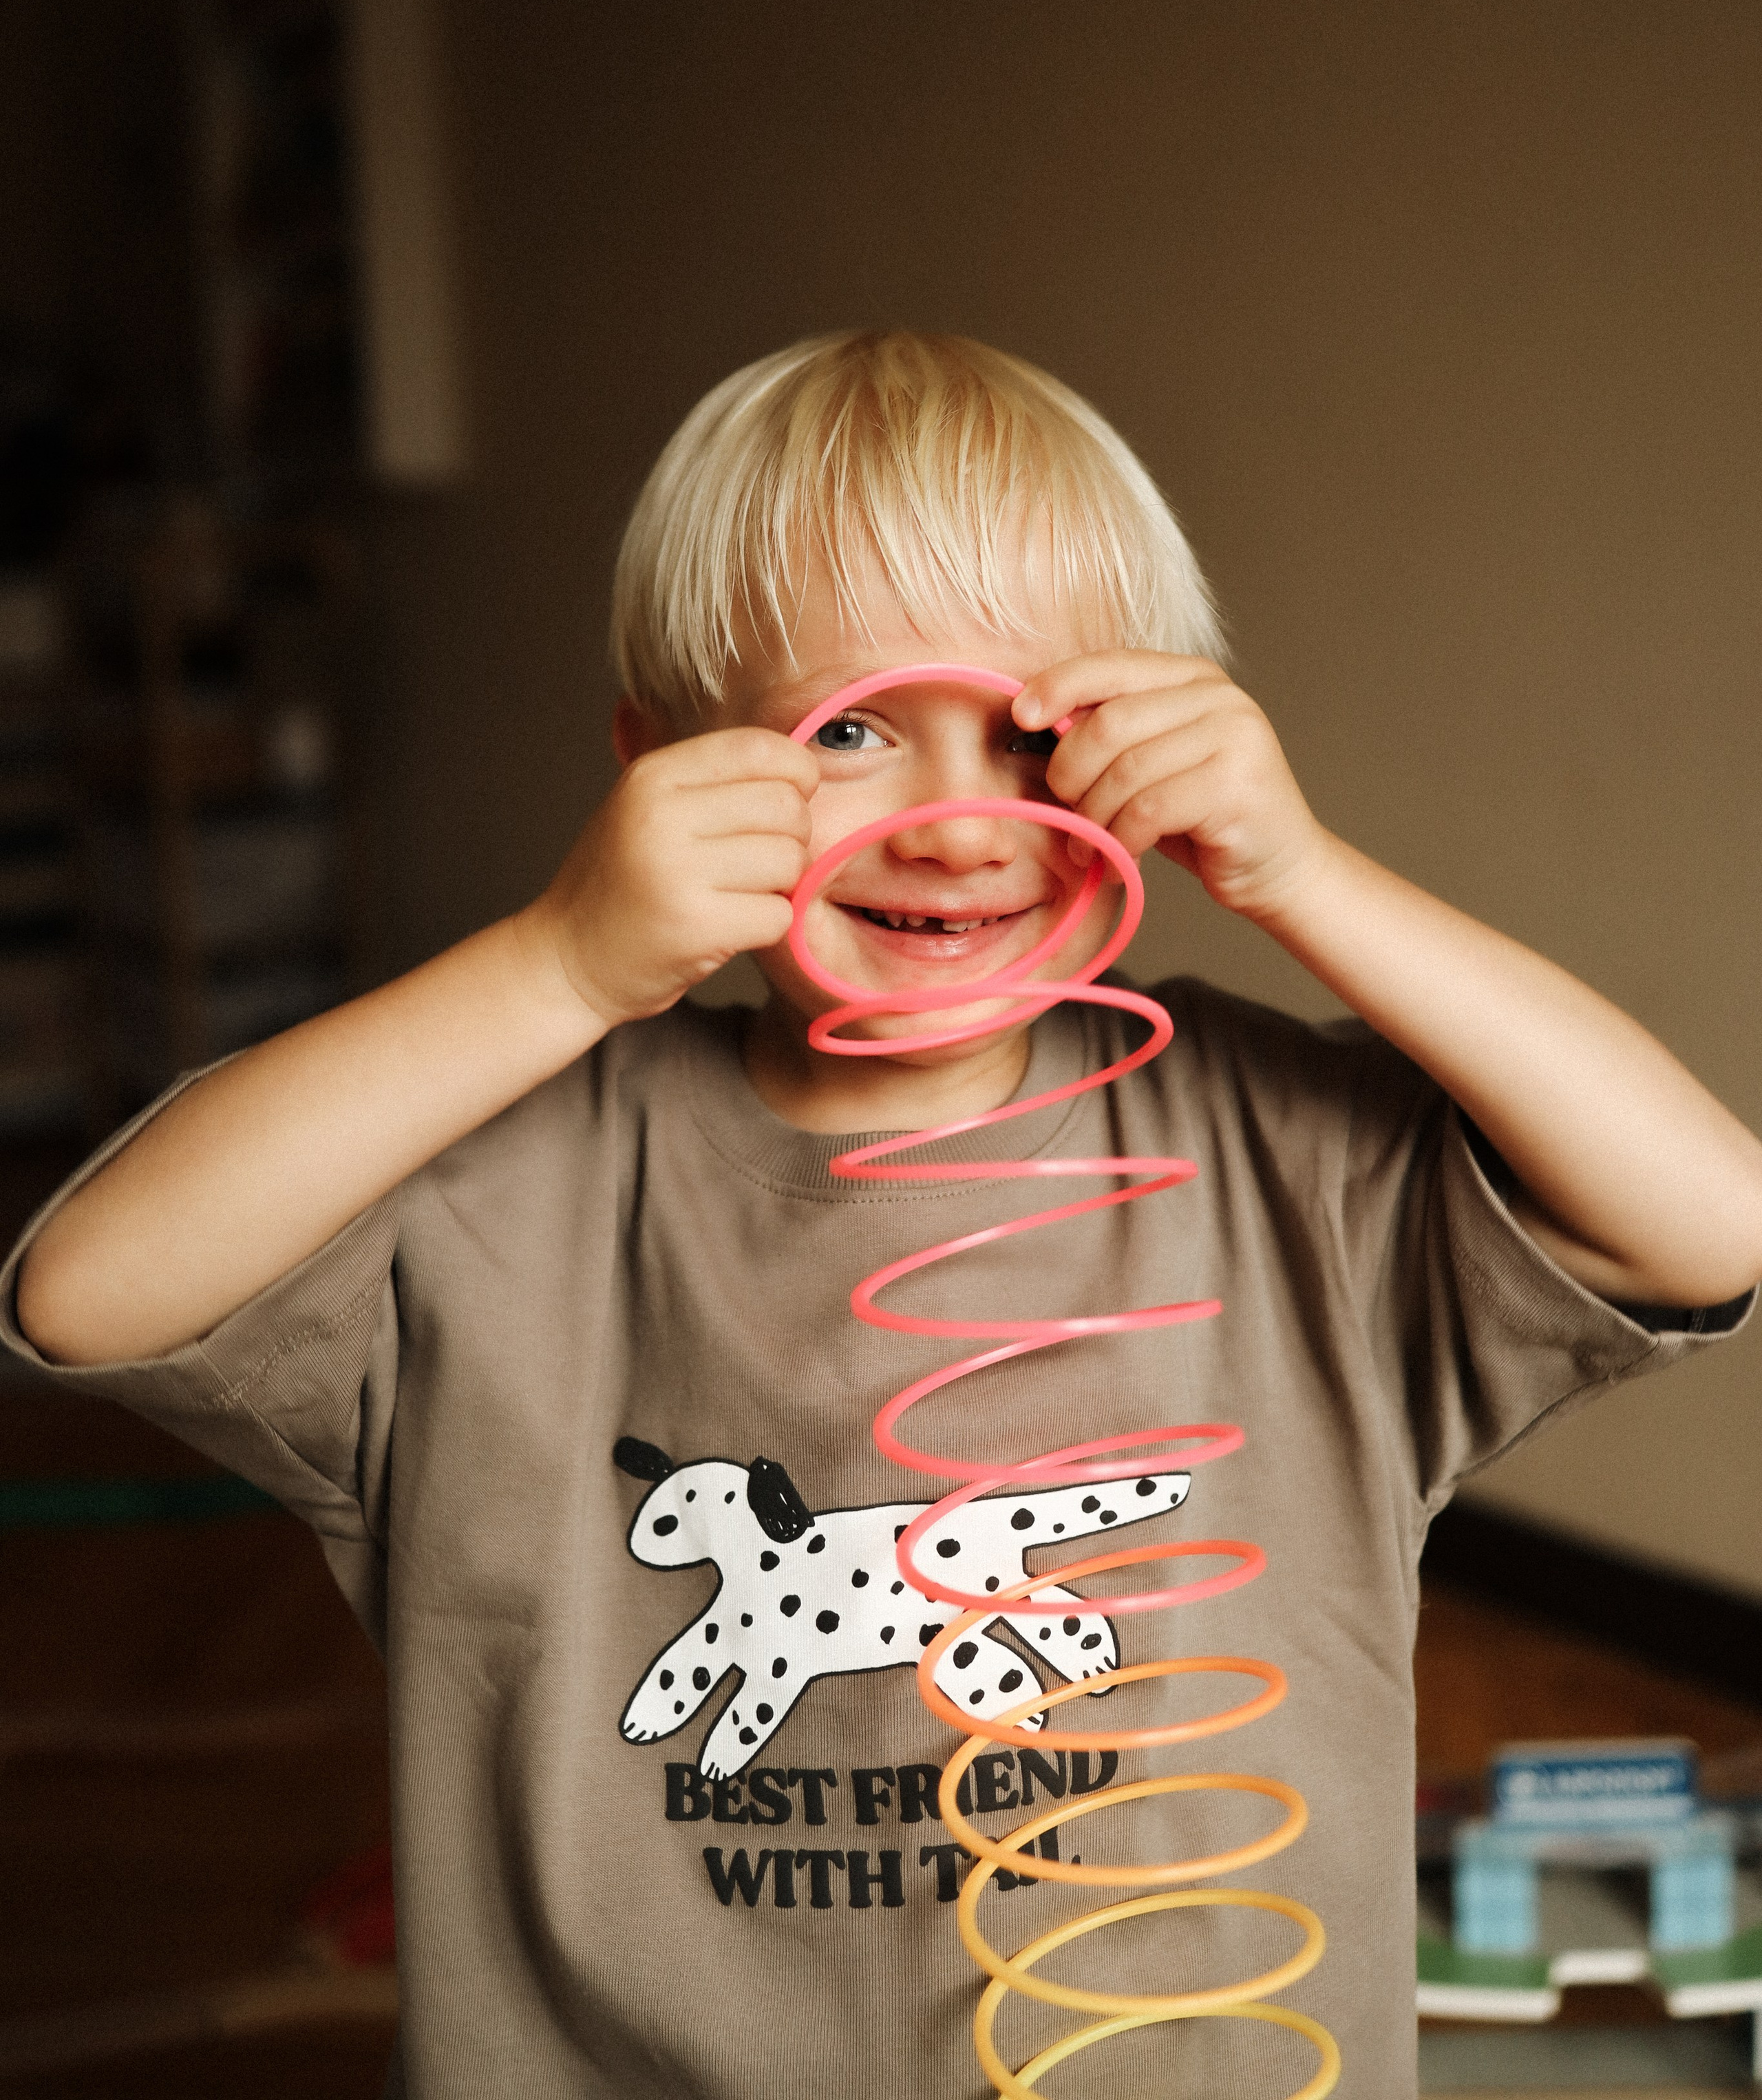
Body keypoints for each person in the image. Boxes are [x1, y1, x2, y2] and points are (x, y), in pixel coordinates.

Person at [8, 330, 1759, 2100]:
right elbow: (90, 1291)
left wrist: (1301, 876)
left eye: (1026, 734)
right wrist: (551, 963)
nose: (951, 824)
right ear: (654, 770)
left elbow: (1708, 1222)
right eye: (848, 730)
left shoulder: (1273, 1153)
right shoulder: (512, 1197)